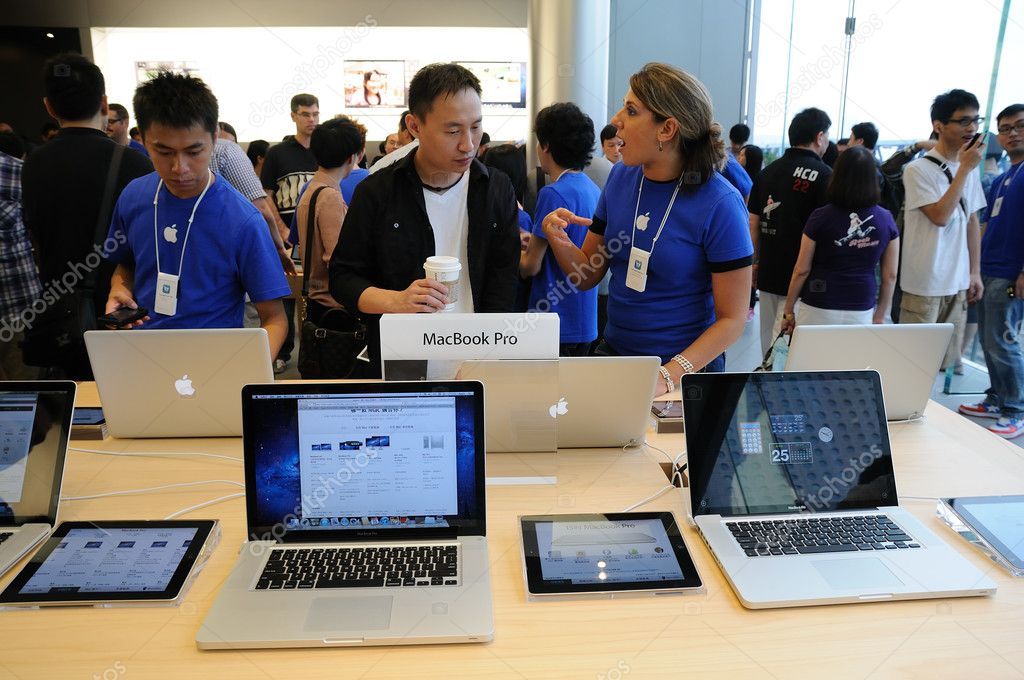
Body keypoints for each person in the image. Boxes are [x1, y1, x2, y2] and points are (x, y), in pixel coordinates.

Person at [541, 63, 752, 394]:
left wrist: (667, 375)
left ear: (666, 129)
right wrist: (559, 241)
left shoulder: (720, 204)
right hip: (617, 356)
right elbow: (586, 276)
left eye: (631, 110)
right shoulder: (623, 178)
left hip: (687, 371)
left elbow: (732, 319)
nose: (615, 120)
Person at [329, 62, 520, 377]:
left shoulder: (495, 189)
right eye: (453, 130)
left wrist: (490, 358)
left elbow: (504, 281)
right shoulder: (378, 192)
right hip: (401, 360)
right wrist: (397, 301)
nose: (468, 144)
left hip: (476, 360)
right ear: (414, 126)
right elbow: (343, 279)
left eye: (476, 127)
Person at [103, 71, 290, 357]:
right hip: (139, 354)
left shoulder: (243, 221)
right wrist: (119, 287)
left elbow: (275, 319)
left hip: (214, 361)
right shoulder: (134, 196)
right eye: (163, 152)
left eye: (194, 151)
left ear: (215, 137)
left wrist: (246, 371)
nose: (180, 168)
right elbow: (126, 264)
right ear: (142, 138)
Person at [20, 53, 153, 379]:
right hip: (125, 317)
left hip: (60, 317)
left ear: (49, 106)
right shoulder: (135, 164)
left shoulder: (34, 163)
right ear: (105, 104)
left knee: (77, 414)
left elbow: (35, 234)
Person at [899, 89, 986, 371]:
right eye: (963, 121)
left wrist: (974, 272)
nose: (971, 128)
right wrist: (963, 170)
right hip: (924, 283)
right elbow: (939, 216)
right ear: (939, 126)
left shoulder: (969, 167)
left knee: (944, 363)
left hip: (958, 281)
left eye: (975, 120)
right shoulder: (917, 170)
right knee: (913, 363)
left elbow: (971, 220)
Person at [780, 146, 900, 335]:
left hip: (819, 302)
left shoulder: (820, 217)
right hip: (862, 304)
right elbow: (890, 275)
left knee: (812, 362)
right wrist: (880, 316)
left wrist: (788, 309)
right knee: (851, 362)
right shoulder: (886, 219)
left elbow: (801, 269)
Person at [959, 104, 1024, 438]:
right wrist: (974, 269)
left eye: (1020, 126)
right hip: (990, 271)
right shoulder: (1003, 178)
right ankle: (997, 398)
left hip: (1011, 274)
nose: (1012, 133)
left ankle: (1016, 408)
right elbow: (983, 225)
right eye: (1006, 128)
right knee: (989, 340)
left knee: (1003, 341)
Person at [748, 107, 832, 355]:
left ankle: (765, 379)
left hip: (768, 270)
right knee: (791, 344)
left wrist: (754, 264)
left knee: (768, 341)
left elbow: (753, 222)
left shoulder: (767, 173)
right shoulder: (826, 176)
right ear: (819, 137)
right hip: (805, 276)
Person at [519, 103, 601, 356]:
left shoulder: (553, 193)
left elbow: (530, 266)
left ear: (546, 146)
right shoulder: (592, 188)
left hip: (554, 321)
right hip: (585, 319)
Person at [260, 93, 319, 372]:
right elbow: (267, 194)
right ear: (294, 116)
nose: (311, 120)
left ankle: (313, 351)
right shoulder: (278, 153)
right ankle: (282, 352)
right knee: (284, 295)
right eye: (306, 114)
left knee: (313, 296)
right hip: (285, 237)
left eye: (315, 114)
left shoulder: (322, 151)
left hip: (315, 239)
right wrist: (281, 228)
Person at [295, 117, 365, 325]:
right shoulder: (330, 197)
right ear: (351, 157)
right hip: (333, 306)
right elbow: (337, 258)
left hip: (318, 300)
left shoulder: (311, 190)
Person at [0, 148, 43, 380]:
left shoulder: (15, 170)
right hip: (18, 302)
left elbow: (40, 231)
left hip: (16, 307)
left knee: (27, 397)